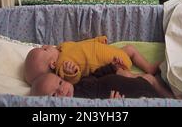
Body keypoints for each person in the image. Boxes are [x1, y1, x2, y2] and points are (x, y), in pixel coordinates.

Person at [24, 35, 160, 85]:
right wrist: (70, 72)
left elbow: (82, 44)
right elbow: (73, 80)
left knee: (130, 49)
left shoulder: (63, 47)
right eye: (44, 49)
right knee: (123, 74)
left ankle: (148, 67)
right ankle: (145, 77)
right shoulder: (62, 66)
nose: (45, 46)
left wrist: (96, 40)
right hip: (111, 66)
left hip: (110, 52)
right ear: (53, 64)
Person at [30, 60, 174, 99]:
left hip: (139, 84)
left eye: (60, 83)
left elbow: (96, 75)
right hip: (133, 98)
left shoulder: (80, 83)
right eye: (55, 95)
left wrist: (111, 67)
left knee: (150, 78)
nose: (62, 89)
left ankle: (177, 100)